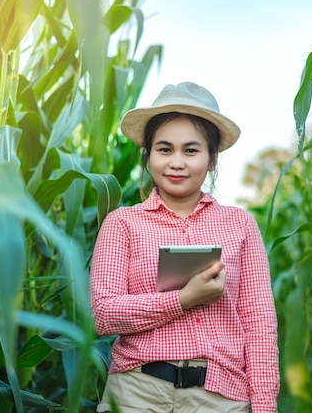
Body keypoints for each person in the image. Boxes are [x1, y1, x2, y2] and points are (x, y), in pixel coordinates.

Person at [89, 82, 280, 412]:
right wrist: (183, 299)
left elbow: (259, 324)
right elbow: (103, 315)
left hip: (221, 398)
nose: (177, 162)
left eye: (191, 151)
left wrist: (264, 407)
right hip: (137, 393)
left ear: (212, 159)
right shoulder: (122, 223)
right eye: (165, 149)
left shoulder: (241, 225)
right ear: (148, 155)